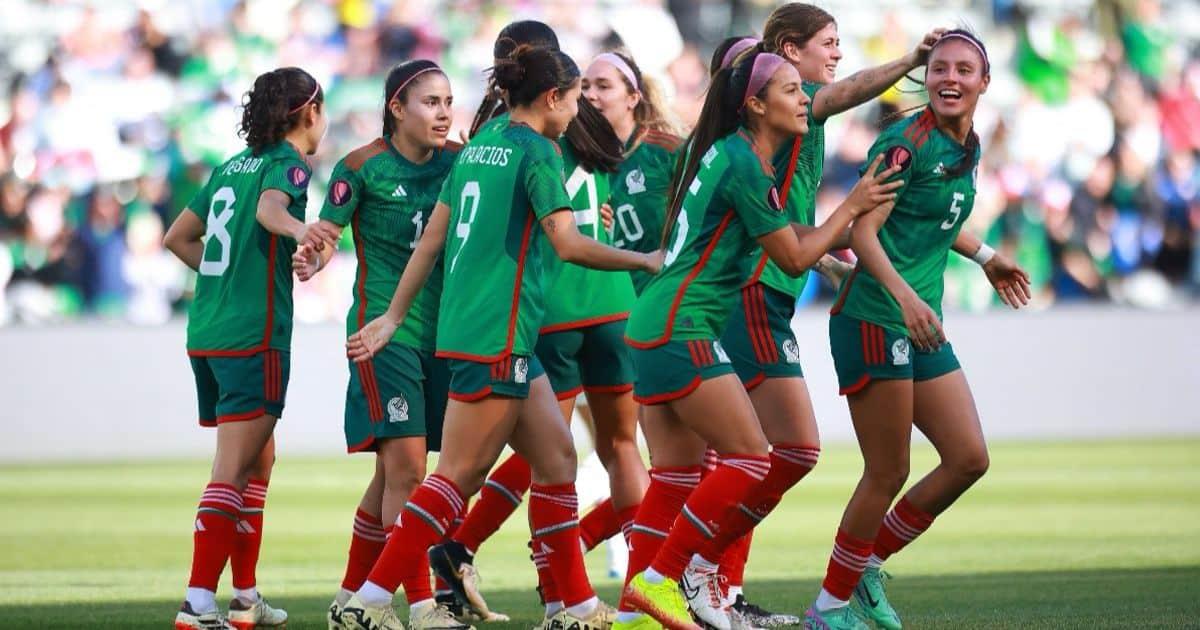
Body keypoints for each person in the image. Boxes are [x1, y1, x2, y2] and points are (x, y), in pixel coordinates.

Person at [335, 44, 662, 630]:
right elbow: (567, 242)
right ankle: (371, 599)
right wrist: (642, 259)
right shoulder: (537, 151)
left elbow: (433, 238)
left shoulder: (477, 147)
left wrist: (393, 315)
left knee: (558, 458)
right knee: (458, 474)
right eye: (573, 98)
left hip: (484, 331)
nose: (577, 111)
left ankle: (576, 606)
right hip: (498, 332)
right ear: (552, 98)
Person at [618, 48, 901, 630]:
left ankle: (634, 615)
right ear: (754, 104)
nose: (805, 99)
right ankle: (662, 580)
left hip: (654, 323)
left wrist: (832, 250)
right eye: (793, 90)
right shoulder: (745, 163)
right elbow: (793, 258)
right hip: (683, 326)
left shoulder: (729, 155)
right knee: (750, 458)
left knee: (672, 478)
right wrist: (852, 204)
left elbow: (785, 239)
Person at [804, 30, 1032, 630]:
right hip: (876, 317)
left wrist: (986, 257)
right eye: (939, 68)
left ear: (985, 83)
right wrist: (905, 298)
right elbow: (862, 230)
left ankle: (866, 565)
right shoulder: (906, 142)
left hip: (916, 318)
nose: (949, 78)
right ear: (925, 77)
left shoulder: (967, 143)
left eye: (964, 70)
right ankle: (827, 609)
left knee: (967, 458)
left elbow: (935, 215)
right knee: (888, 471)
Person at [289, 60, 471, 630]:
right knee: (410, 471)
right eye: (430, 102)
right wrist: (311, 256)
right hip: (382, 334)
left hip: (447, 332)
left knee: (393, 476)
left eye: (448, 101)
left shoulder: (461, 162)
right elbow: (327, 236)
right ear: (397, 108)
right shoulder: (361, 167)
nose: (443, 113)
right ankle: (421, 606)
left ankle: (351, 598)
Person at [163, 66, 335, 630]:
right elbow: (269, 212)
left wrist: (226, 277)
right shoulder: (289, 164)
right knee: (232, 469)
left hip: (208, 332)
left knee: (259, 459)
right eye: (323, 110)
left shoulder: (228, 168)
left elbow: (176, 238)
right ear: (308, 113)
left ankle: (245, 597)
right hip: (250, 337)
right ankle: (197, 602)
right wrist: (300, 232)